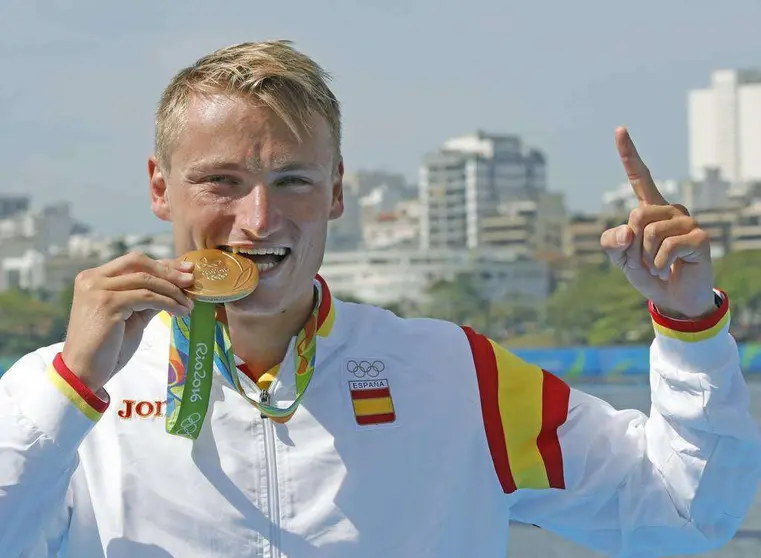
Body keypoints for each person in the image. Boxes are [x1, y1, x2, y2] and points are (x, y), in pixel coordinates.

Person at [0, 40, 759, 558]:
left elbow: (684, 517)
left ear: (335, 192)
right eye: (221, 181)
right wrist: (75, 386)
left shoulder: (454, 374)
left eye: (292, 180)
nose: (257, 220)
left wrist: (689, 327)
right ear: (160, 188)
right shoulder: (60, 388)